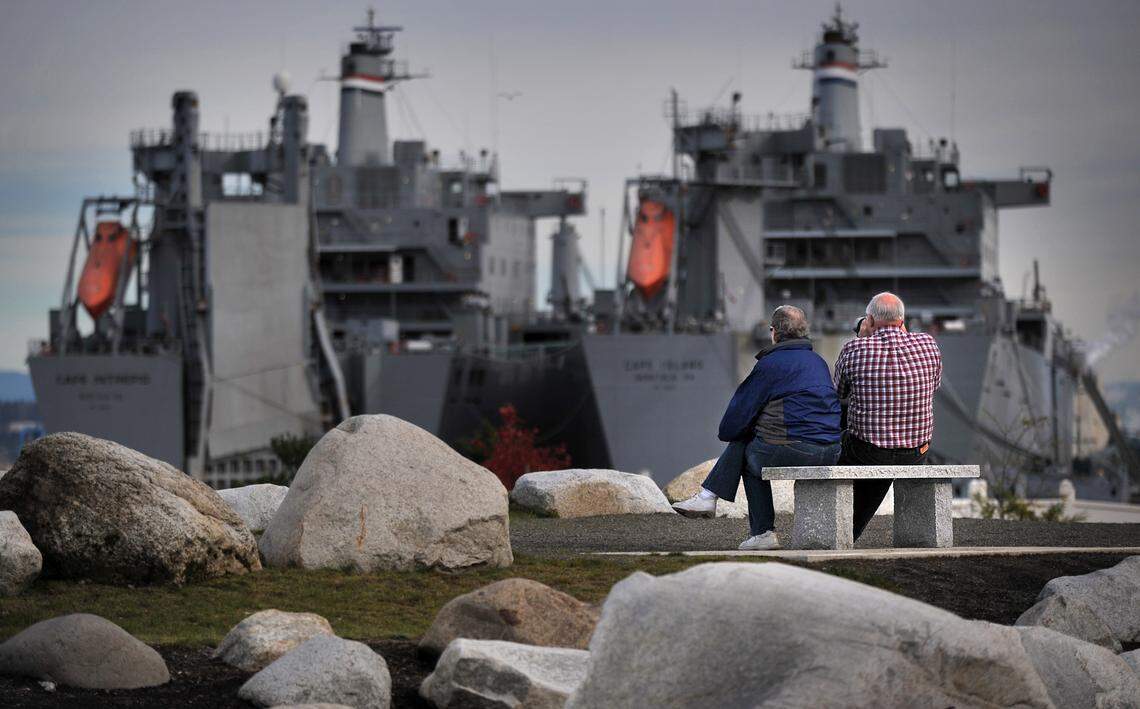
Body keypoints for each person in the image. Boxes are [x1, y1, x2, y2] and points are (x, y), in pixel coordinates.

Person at [673, 305, 842, 550]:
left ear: (773, 332)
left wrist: (737, 433)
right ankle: (708, 497)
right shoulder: (818, 362)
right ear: (803, 331)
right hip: (831, 450)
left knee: (749, 458)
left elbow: (735, 420)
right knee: (750, 443)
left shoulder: (770, 365)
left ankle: (761, 531)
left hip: (800, 449)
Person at [834, 292, 942, 542]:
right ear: (903, 320)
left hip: (867, 451)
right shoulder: (929, 345)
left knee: (835, 445)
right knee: (886, 453)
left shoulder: (854, 348)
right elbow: (933, 386)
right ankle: (850, 532)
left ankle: (844, 532)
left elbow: (838, 392)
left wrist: (862, 338)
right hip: (917, 451)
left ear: (869, 320)